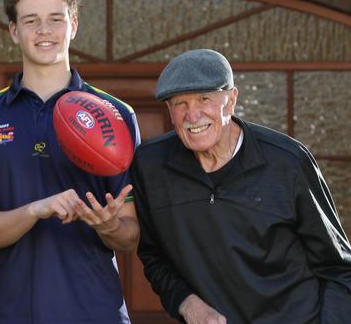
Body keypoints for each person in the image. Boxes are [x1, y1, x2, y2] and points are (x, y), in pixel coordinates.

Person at [0, 0, 140, 324]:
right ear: (13, 30)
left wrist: (107, 226)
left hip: (96, 313)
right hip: (13, 314)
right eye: (31, 20)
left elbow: (130, 236)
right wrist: (36, 209)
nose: (44, 31)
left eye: (56, 18)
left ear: (74, 23)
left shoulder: (116, 114)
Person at [131, 48, 351, 323]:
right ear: (169, 111)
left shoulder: (287, 161)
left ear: (232, 100)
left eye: (204, 99)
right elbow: (154, 257)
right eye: (180, 103)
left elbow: (338, 267)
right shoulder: (150, 166)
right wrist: (187, 303)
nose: (193, 115)